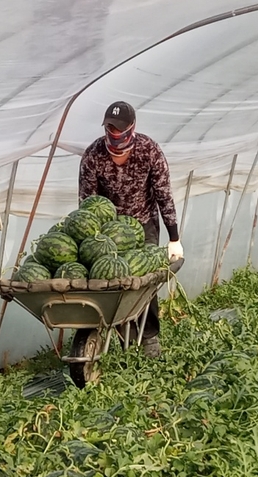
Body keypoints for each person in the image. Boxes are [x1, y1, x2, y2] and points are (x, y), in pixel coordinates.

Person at [78, 100, 183, 357]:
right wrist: (92, 238)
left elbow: (163, 195)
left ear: (131, 127)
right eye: (110, 127)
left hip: (144, 223)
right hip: (108, 231)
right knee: (112, 283)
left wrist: (174, 237)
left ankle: (149, 338)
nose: (114, 133)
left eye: (119, 128)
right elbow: (87, 205)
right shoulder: (93, 156)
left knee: (144, 283)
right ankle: (124, 332)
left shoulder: (149, 151)